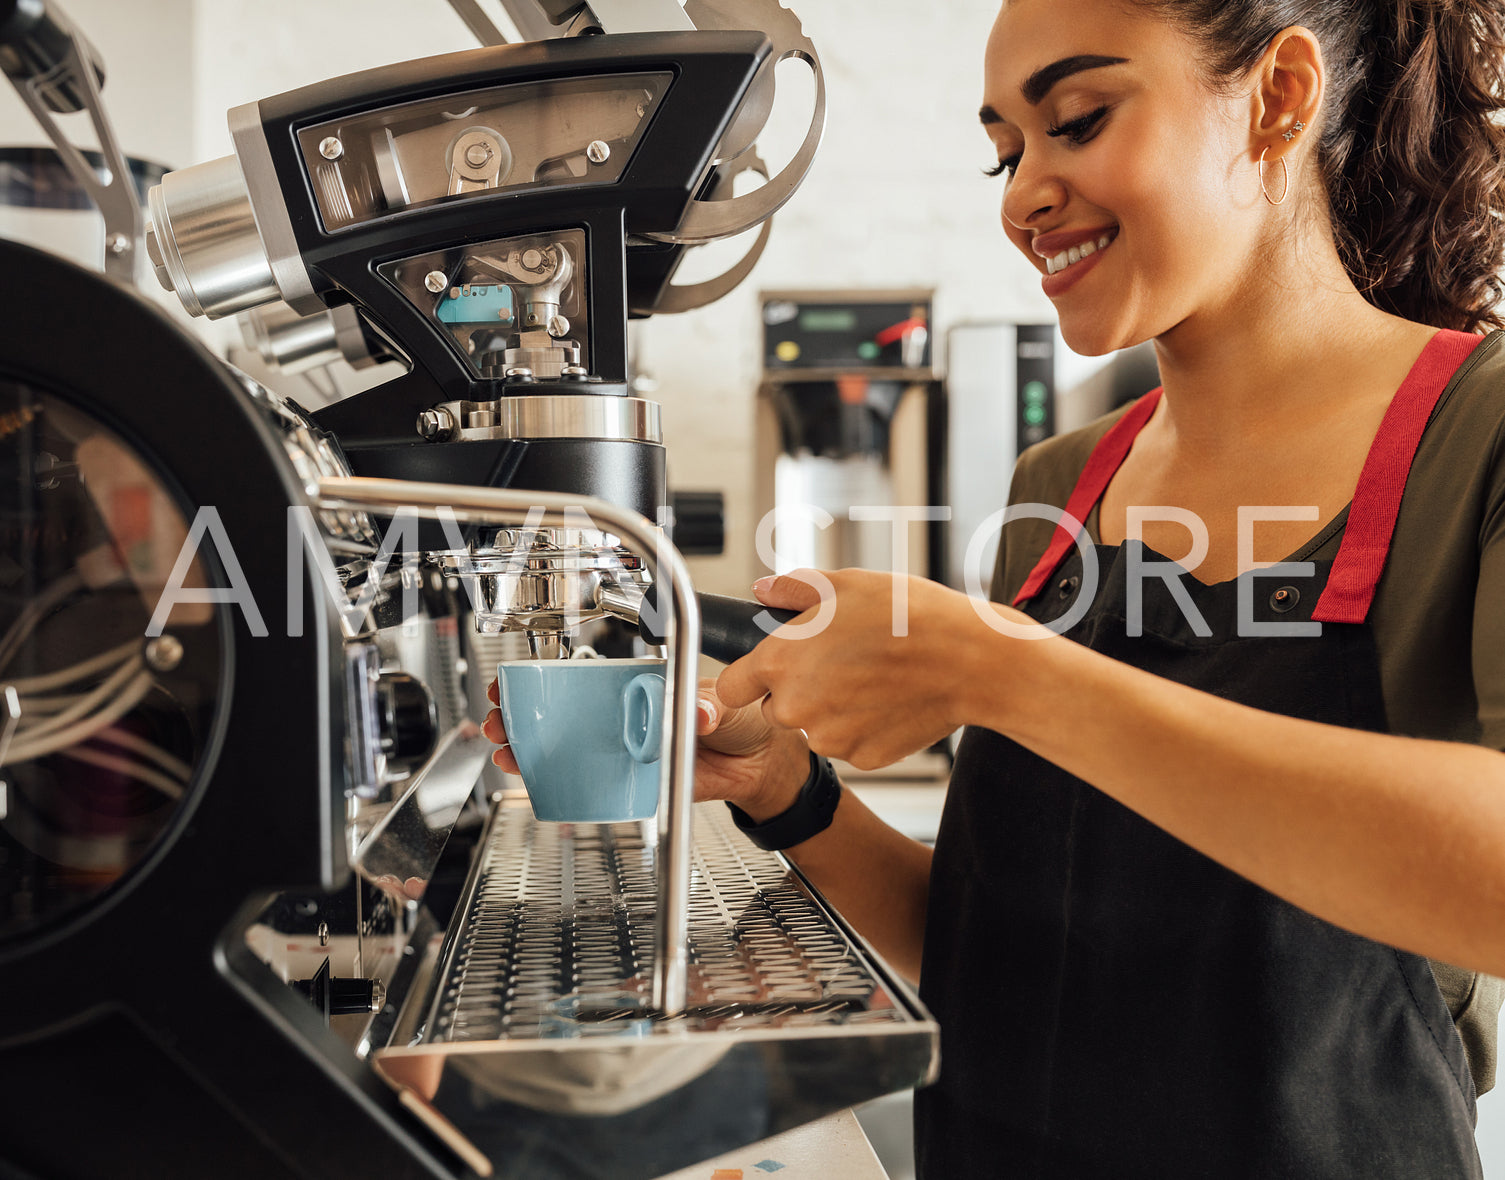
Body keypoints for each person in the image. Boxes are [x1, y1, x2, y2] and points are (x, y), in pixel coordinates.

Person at [486, 0, 1505, 1174]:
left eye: (1076, 119)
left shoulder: (1470, 431)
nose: (1021, 195)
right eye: (1004, 150)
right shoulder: (1062, 485)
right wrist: (783, 789)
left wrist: (1002, 668)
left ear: (1276, 96)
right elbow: (993, 942)